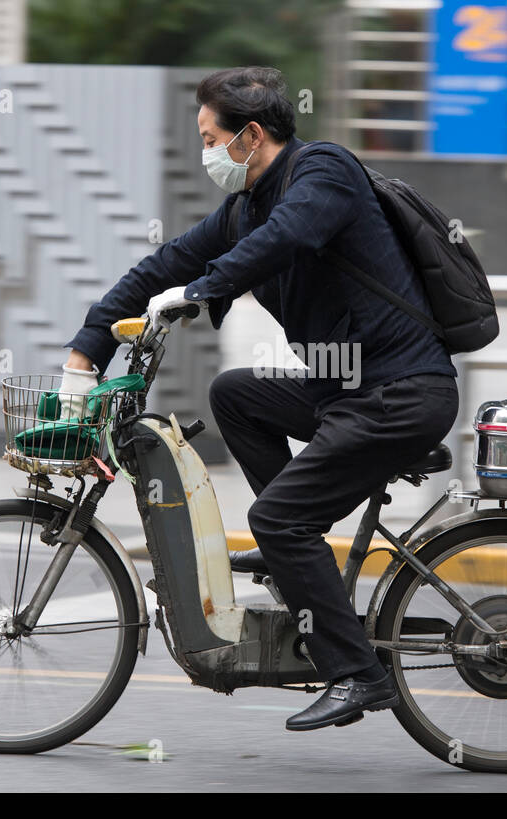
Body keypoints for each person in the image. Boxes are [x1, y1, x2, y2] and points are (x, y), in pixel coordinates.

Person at [62, 66, 459, 730]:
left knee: (279, 518)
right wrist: (88, 346)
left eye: (210, 137)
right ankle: (292, 555)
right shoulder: (246, 206)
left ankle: (358, 675)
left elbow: (289, 238)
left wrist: (203, 292)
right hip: (348, 389)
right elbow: (163, 264)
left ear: (249, 136)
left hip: (399, 392)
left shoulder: (322, 172)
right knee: (236, 394)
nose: (206, 153)